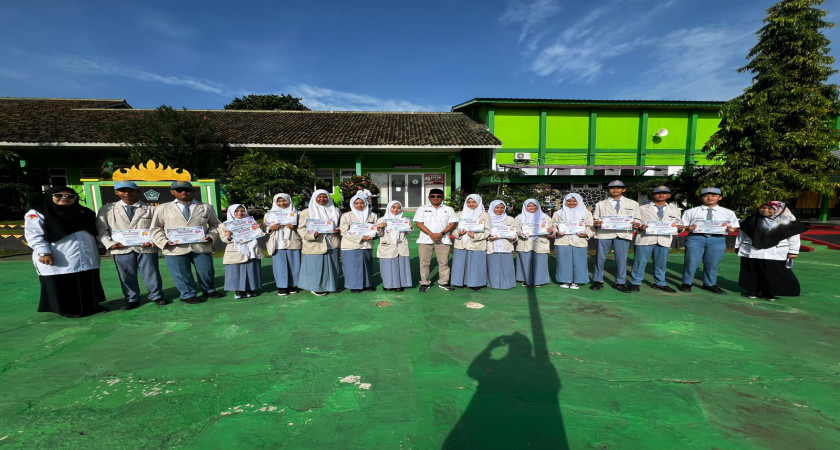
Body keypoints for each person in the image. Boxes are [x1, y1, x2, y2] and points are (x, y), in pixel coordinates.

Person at [24, 186, 106, 317]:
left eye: (70, 196)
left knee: (86, 279)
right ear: (50, 196)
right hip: (58, 255)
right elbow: (34, 235)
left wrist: (100, 245)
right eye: (59, 195)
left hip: (87, 253)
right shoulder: (39, 213)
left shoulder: (84, 212)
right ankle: (69, 310)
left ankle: (91, 306)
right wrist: (43, 252)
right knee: (64, 282)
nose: (65, 198)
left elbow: (94, 231)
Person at [149, 180, 223, 304]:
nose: (184, 192)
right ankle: (187, 294)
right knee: (181, 273)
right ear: (172, 192)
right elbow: (156, 228)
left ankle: (209, 290)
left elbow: (215, 224)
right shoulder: (163, 208)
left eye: (187, 189)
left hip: (201, 245)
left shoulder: (206, 207)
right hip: (175, 247)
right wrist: (164, 241)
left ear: (193, 191)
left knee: (206, 271)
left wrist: (210, 236)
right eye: (179, 190)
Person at [95, 180, 164, 309]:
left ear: (137, 191)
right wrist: (109, 243)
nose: (127, 193)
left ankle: (156, 296)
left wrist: (153, 241)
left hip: (146, 247)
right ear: (116, 192)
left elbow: (158, 228)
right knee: (126, 275)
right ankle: (132, 298)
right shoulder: (107, 209)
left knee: (151, 272)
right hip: (120, 248)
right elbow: (101, 229)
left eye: (131, 190)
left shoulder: (151, 209)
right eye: (123, 190)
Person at [736, 201, 807, 301]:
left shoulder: (788, 222)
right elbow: (742, 234)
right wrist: (738, 246)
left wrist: (793, 251)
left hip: (775, 253)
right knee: (752, 270)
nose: (765, 210)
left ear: (779, 210)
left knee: (772, 273)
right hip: (752, 251)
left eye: (770, 208)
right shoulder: (752, 219)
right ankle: (752, 290)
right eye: (763, 208)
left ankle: (768, 292)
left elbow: (794, 238)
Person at [679, 187, 740, 293]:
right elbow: (681, 226)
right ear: (701, 198)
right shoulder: (691, 211)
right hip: (696, 238)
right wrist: (688, 228)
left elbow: (734, 226)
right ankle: (687, 283)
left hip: (717, 239)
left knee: (713, 263)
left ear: (720, 197)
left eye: (714, 195)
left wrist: (732, 229)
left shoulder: (728, 212)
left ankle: (709, 283)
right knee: (691, 261)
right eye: (706, 195)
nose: (710, 198)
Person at [628, 186, 684, 293]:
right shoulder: (642, 208)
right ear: (652, 195)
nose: (661, 195)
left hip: (664, 239)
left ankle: (660, 283)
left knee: (661, 263)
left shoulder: (675, 210)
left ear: (669, 195)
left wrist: (680, 228)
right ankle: (635, 282)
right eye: (658, 193)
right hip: (645, 238)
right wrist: (639, 226)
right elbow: (636, 221)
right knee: (639, 262)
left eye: (664, 193)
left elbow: (679, 223)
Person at [592, 180, 640, 292]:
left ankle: (620, 282)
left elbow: (638, 218)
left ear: (623, 189)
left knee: (622, 259)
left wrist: (637, 223)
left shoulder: (633, 203)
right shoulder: (600, 204)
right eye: (612, 188)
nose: (615, 190)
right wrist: (596, 223)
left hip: (623, 233)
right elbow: (595, 219)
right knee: (600, 258)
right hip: (604, 233)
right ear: (608, 190)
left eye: (618, 188)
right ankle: (598, 280)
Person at [297, 190, 342, 296]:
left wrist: (338, 230)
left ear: (329, 198)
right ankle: (316, 287)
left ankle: (331, 286)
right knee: (315, 267)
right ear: (314, 198)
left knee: (331, 266)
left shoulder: (335, 210)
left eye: (325, 197)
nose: (322, 199)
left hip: (332, 242)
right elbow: (301, 228)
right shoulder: (306, 212)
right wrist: (311, 235)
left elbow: (342, 225)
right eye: (319, 197)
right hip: (315, 242)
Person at [414, 188, 459, 292]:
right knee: (424, 263)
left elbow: (452, 223)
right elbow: (419, 224)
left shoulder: (449, 209)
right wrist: (431, 234)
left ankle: (444, 282)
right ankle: (424, 282)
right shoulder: (422, 209)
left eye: (438, 196)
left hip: (443, 240)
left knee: (444, 263)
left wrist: (440, 234)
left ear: (442, 198)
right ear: (429, 197)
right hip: (425, 240)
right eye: (433, 196)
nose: (435, 198)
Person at [219, 204, 264, 299]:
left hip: (251, 250)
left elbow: (258, 234)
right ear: (231, 212)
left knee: (251, 269)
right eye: (236, 211)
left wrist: (257, 229)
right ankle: (239, 290)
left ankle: (250, 289)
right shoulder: (224, 225)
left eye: (242, 211)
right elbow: (224, 239)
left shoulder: (250, 222)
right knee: (236, 271)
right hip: (235, 251)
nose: (240, 213)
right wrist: (229, 235)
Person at [552, 193, 594, 289]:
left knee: (579, 261)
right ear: (565, 202)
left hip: (580, 240)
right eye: (569, 201)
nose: (571, 203)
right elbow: (553, 225)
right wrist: (556, 232)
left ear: (579, 201)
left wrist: (587, 234)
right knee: (563, 261)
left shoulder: (586, 213)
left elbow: (590, 227)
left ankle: (576, 281)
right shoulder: (558, 213)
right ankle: (565, 280)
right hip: (562, 240)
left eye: (574, 201)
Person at [340, 193, 378, 293]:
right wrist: (361, 237)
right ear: (352, 204)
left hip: (367, 245)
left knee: (367, 266)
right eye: (356, 203)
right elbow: (344, 231)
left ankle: (367, 284)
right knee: (352, 267)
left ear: (365, 203)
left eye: (361, 203)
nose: (359, 205)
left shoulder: (372, 215)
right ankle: (354, 286)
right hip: (351, 245)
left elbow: (375, 229)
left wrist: (374, 233)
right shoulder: (347, 215)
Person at [451, 194, 490, 291]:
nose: (471, 204)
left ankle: (475, 284)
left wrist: (475, 236)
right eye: (469, 202)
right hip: (461, 243)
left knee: (476, 265)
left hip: (477, 244)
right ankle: (460, 282)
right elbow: (453, 229)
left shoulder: (484, 215)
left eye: (474, 202)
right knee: (460, 264)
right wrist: (458, 233)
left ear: (479, 202)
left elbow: (488, 231)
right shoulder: (459, 214)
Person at [265, 193, 302, 296]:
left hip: (293, 241)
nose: (282, 203)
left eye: (284, 200)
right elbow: (265, 228)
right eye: (279, 201)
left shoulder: (297, 214)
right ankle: (282, 287)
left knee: (294, 264)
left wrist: (293, 227)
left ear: (289, 201)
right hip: (278, 243)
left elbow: (303, 228)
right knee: (279, 266)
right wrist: (271, 228)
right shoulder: (269, 214)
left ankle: (292, 285)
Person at [515, 198, 555, 287]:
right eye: (529, 206)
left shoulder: (545, 217)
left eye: (534, 205)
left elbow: (552, 228)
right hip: (525, 242)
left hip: (540, 241)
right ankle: (526, 279)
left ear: (538, 206)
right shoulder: (519, 217)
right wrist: (521, 233)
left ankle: (539, 281)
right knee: (525, 261)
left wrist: (551, 231)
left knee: (540, 261)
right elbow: (516, 229)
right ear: (525, 207)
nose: (531, 207)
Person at [375, 200, 413, 292]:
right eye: (393, 207)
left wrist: (410, 227)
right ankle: (388, 285)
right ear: (389, 207)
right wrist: (379, 227)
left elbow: (408, 232)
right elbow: (380, 234)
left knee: (401, 266)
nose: (396, 210)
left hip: (401, 245)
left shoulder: (404, 219)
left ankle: (399, 285)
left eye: (398, 208)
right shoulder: (381, 220)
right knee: (387, 266)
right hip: (387, 246)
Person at [486, 200, 517, 290]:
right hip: (492, 246)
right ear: (492, 208)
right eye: (497, 207)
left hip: (505, 245)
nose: (499, 210)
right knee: (493, 266)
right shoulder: (487, 218)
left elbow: (515, 232)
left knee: (507, 266)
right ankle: (493, 284)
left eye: (502, 208)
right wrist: (489, 237)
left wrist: (513, 238)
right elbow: (484, 232)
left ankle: (508, 283)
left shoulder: (510, 219)